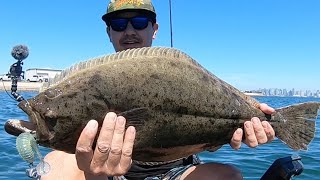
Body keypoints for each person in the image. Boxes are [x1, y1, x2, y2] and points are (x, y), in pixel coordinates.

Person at [42, 0, 275, 179]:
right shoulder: (85, 82)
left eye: (140, 22)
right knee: (55, 164)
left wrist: (254, 112)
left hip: (177, 170)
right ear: (109, 32)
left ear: (154, 29)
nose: (130, 31)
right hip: (105, 171)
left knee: (228, 176)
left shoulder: (180, 75)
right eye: (120, 24)